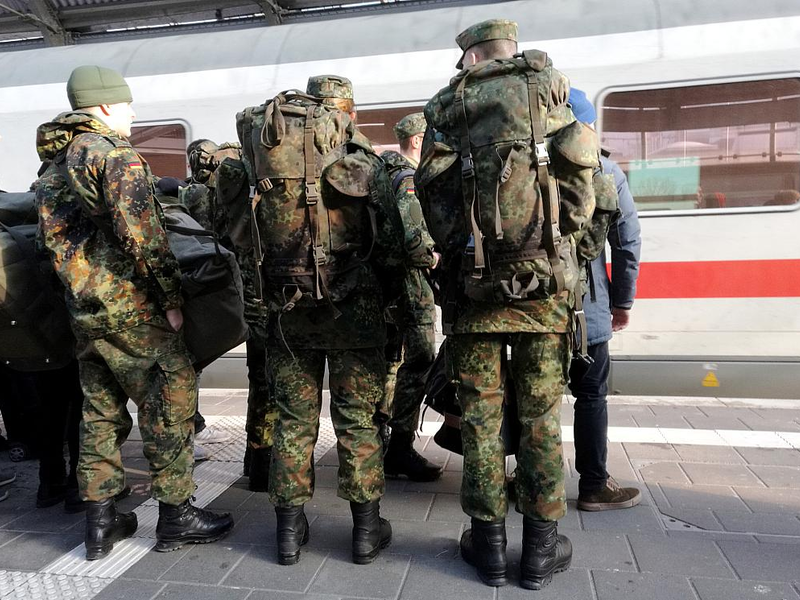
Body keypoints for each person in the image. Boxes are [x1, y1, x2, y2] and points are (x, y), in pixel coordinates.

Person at [417, 20, 599, 590]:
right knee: (542, 419)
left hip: (474, 302)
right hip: (545, 297)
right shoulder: (550, 92)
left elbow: (433, 201)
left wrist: (467, 250)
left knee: (482, 419)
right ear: (510, 52)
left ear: (470, 56)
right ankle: (540, 550)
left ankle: (489, 546)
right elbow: (580, 198)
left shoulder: (447, 107)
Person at [35, 65, 233, 560]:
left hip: (83, 311)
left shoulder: (54, 163)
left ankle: (101, 521)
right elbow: (143, 237)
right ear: (103, 106)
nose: (132, 111)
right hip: (130, 309)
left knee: (100, 412)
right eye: (126, 104)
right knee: (171, 395)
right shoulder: (113, 156)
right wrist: (169, 300)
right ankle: (176, 516)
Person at [260, 75, 406, 566]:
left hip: (287, 310)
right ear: (348, 111)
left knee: (293, 421)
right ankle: (365, 532)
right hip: (356, 314)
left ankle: (287, 531)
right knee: (356, 420)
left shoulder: (265, 157)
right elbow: (391, 244)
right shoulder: (366, 161)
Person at [566, 88, 643, 511]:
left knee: (527, 395)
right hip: (586, 310)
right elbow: (627, 243)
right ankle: (594, 484)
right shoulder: (607, 171)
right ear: (589, 125)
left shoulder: (522, 168)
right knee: (591, 394)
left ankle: (527, 479)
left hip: (530, 306)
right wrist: (622, 302)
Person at [379, 113, 442, 482]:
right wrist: (434, 257)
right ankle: (399, 447)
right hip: (409, 284)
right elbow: (413, 238)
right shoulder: (407, 179)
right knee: (419, 359)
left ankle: (381, 436)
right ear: (417, 141)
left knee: (389, 361)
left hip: (386, 285)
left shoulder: (384, 173)